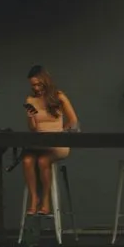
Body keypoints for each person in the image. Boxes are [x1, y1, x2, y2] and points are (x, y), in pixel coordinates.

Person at [24, 65, 79, 215]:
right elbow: (33, 128)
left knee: (43, 161)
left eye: (38, 84)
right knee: (27, 160)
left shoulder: (58, 96)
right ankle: (34, 199)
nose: (36, 88)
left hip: (57, 143)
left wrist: (61, 132)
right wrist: (30, 118)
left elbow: (74, 121)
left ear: (45, 81)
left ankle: (46, 201)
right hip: (40, 142)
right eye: (33, 85)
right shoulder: (30, 100)